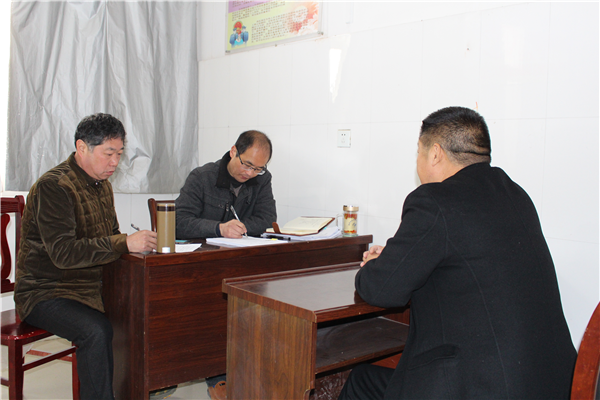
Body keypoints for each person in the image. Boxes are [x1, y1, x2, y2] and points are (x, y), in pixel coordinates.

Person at [338, 107, 576, 399]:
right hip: (551, 384)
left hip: (483, 388)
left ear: (435, 153)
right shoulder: (515, 195)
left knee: (361, 382)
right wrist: (400, 258)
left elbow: (381, 289)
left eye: (418, 152)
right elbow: (469, 259)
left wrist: (377, 265)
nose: (417, 161)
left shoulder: (434, 201)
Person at [14, 113, 157, 400]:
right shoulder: (54, 187)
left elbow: (111, 236)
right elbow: (64, 253)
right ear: (82, 148)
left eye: (119, 154)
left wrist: (133, 246)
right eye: (108, 153)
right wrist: (123, 243)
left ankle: (139, 388)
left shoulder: (101, 184)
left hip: (89, 287)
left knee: (143, 310)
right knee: (96, 330)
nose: (115, 162)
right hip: (46, 291)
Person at [176, 130, 276, 239]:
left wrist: (237, 229)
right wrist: (219, 229)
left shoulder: (262, 179)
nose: (250, 173)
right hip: (204, 247)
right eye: (247, 165)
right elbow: (179, 221)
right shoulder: (202, 177)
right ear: (233, 152)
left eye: (258, 169)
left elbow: (267, 220)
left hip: (243, 247)